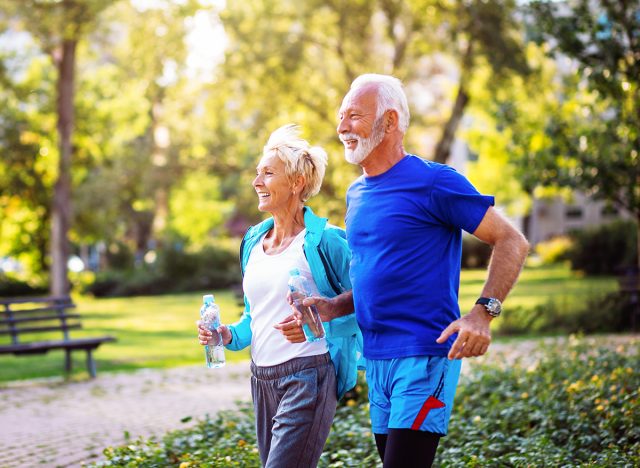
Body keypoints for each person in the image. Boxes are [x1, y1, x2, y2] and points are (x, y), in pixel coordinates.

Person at [291, 74, 530, 467]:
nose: (341, 127)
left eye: (354, 115)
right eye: (340, 116)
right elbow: (381, 273)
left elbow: (511, 240)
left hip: (423, 355)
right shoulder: (357, 193)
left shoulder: (434, 182)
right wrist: (334, 306)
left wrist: (483, 313)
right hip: (378, 360)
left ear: (389, 121)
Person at [197, 124, 362, 468]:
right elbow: (253, 320)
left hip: (309, 374)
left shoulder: (325, 242)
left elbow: (368, 298)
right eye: (257, 173)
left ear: (297, 183)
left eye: (268, 173)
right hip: (262, 379)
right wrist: (225, 334)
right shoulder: (253, 242)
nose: (257, 182)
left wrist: (320, 319)